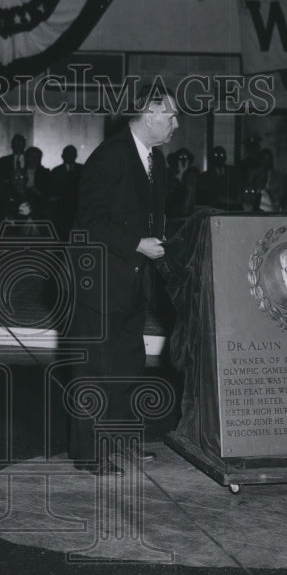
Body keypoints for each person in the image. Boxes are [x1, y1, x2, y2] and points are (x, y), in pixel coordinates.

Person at [67, 83, 177, 475]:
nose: (176, 124)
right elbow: (89, 221)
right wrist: (137, 244)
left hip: (132, 280)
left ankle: (120, 441)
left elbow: (154, 218)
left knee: (127, 365)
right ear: (149, 115)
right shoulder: (110, 156)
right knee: (93, 371)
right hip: (97, 282)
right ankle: (89, 454)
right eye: (171, 115)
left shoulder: (157, 161)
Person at [49, 144, 82, 239]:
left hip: (77, 209)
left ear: (76, 156)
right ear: (62, 156)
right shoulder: (56, 171)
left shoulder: (82, 169)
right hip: (60, 210)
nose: (70, 156)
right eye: (68, 154)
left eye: (72, 154)